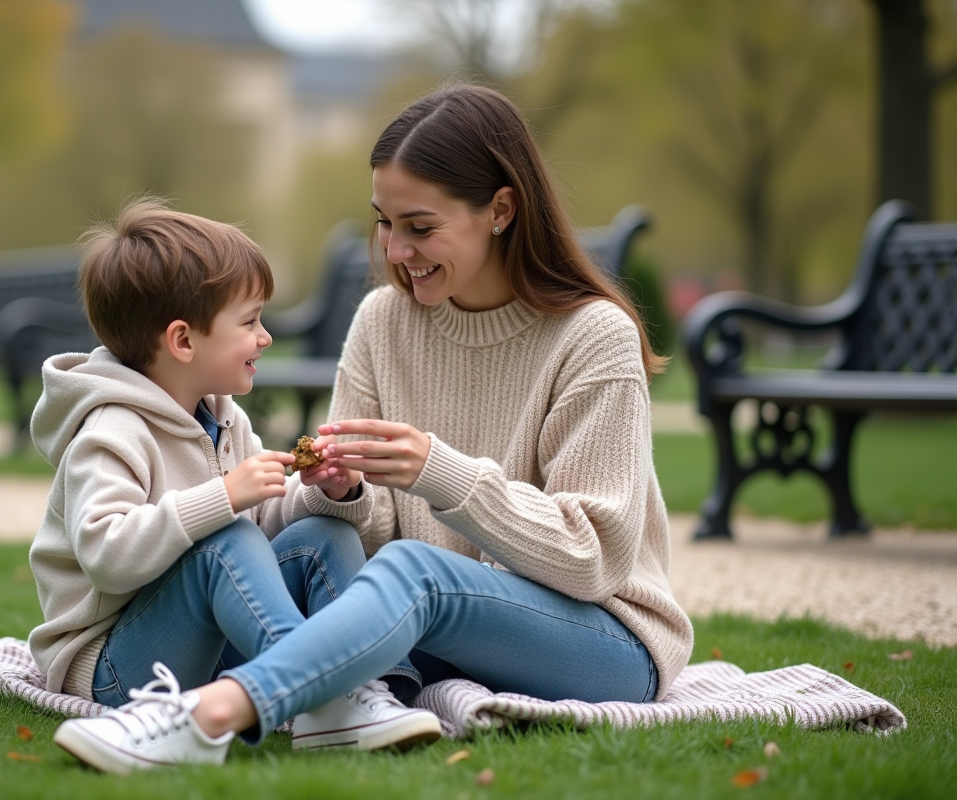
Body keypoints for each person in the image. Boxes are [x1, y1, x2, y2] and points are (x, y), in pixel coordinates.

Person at [54, 84, 694, 772]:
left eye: (420, 227)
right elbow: (351, 549)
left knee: (415, 573)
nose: (395, 250)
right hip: (442, 630)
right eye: (384, 223)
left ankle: (207, 716)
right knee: (368, 559)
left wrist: (437, 472)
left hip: (603, 640)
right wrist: (344, 493)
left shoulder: (592, 337)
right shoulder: (381, 323)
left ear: (501, 210)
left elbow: (593, 557)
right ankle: (341, 707)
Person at [31, 198, 440, 773]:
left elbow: (262, 534)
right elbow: (109, 556)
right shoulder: (110, 431)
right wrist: (224, 498)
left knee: (323, 534)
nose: (265, 337)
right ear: (182, 341)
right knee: (227, 542)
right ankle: (322, 690)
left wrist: (329, 492)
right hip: (119, 671)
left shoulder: (222, 417)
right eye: (249, 322)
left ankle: (357, 688)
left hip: (207, 654)